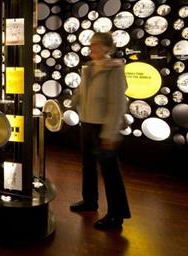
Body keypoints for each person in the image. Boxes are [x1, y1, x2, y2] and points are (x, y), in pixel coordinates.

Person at [70, 32, 131, 230]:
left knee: (110, 172)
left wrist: (109, 134)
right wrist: (69, 104)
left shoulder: (114, 69)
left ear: (107, 47)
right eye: (91, 44)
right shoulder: (88, 68)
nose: (91, 48)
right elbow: (81, 91)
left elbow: (117, 104)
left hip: (103, 126)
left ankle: (116, 215)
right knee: (87, 165)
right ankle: (89, 201)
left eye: (95, 44)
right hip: (87, 122)